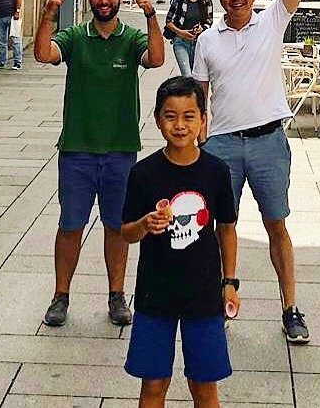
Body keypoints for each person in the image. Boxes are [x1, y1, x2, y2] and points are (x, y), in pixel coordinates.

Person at [192, 0, 312, 344]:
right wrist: (197, 139)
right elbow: (200, 95)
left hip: (267, 141)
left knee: (276, 223)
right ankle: (226, 293)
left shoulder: (272, 20)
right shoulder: (207, 40)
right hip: (221, 143)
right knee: (224, 224)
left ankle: (291, 307)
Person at [33, 0, 166, 327]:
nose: (103, 0)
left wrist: (152, 16)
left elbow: (156, 59)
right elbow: (44, 54)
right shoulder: (76, 36)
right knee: (71, 224)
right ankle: (60, 295)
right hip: (77, 149)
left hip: (121, 150)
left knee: (117, 226)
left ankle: (117, 295)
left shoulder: (131, 37)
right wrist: (47, 14)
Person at [121, 77, 238, 407]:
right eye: (170, 116)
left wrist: (229, 282)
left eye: (189, 116)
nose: (180, 125)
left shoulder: (216, 172)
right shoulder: (143, 173)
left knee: (204, 386)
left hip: (203, 295)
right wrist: (144, 224)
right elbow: (125, 233)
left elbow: (226, 230)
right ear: (158, 119)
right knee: (154, 385)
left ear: (203, 119)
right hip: (154, 294)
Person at [165, 0, 213, 77]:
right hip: (181, 42)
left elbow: (209, 22)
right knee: (187, 75)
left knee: (197, 76)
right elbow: (169, 21)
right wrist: (180, 32)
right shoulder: (179, 0)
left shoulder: (206, 1)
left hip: (198, 43)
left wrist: (202, 28)